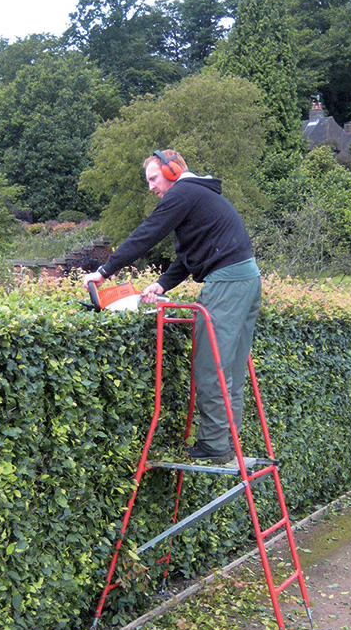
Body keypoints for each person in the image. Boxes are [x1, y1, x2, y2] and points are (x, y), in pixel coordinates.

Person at [82, 149, 261, 463]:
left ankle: (215, 447)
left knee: (210, 367)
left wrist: (104, 271)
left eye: (153, 178)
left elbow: (147, 235)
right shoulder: (198, 195)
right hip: (247, 279)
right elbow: (191, 255)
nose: (151, 187)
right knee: (230, 368)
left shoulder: (183, 193)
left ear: (172, 170)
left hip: (227, 285)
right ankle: (226, 442)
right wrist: (163, 284)